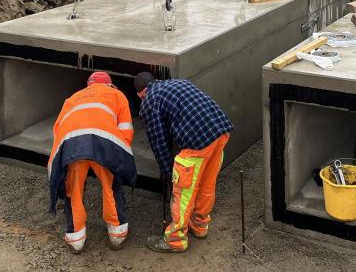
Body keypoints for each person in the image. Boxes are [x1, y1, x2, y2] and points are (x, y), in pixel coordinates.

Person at [134, 72, 233, 253]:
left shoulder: (149, 100)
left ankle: (175, 239)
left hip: (197, 142)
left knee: (183, 191)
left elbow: (159, 141)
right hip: (220, 132)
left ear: (141, 94)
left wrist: (168, 172)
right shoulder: (178, 83)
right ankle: (200, 226)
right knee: (206, 185)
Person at [47, 72, 136, 254]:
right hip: (103, 143)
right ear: (109, 84)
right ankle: (117, 234)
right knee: (110, 186)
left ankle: (76, 239)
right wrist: (119, 159)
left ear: (89, 85)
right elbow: (126, 129)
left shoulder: (72, 98)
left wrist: (65, 156)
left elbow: (58, 129)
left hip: (73, 145)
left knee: (74, 190)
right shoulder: (117, 95)